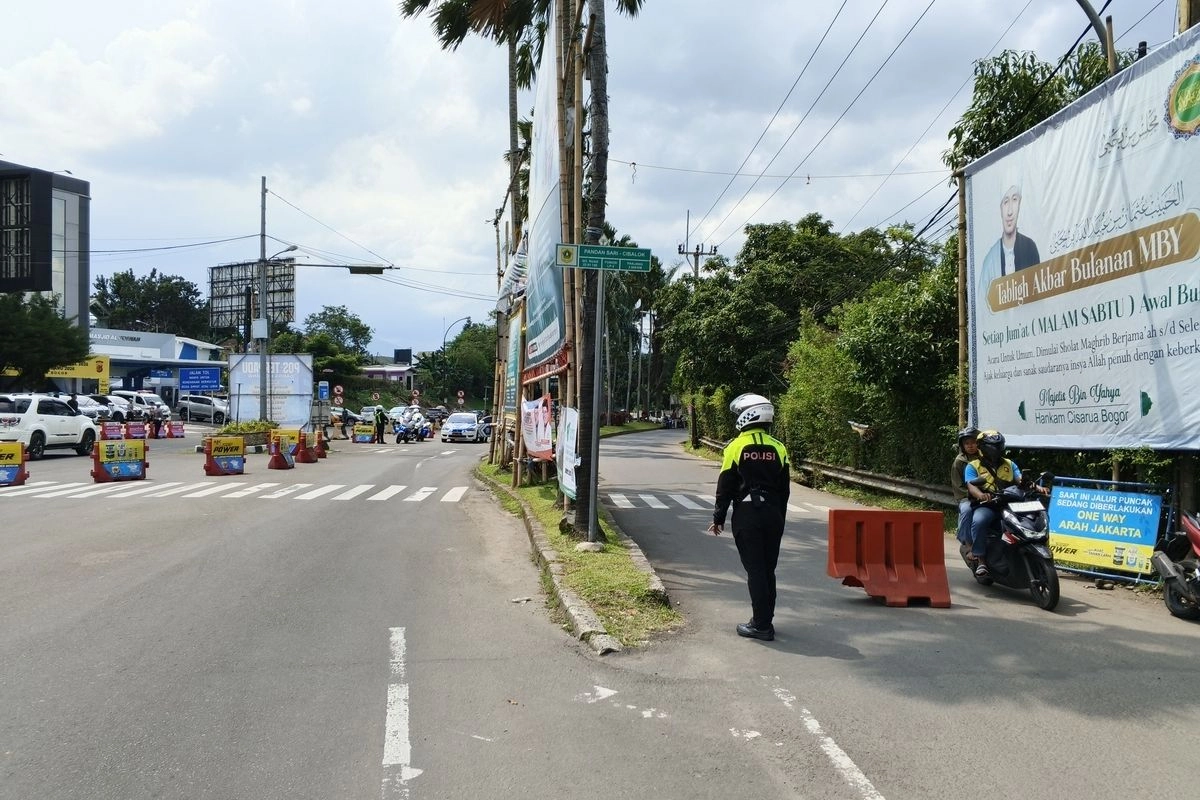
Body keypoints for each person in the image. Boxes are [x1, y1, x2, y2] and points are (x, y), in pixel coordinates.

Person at [706, 393, 790, 641]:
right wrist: (779, 518)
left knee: (755, 570)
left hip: (748, 516)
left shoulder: (736, 447)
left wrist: (718, 517)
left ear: (747, 415)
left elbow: (725, 487)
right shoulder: (779, 447)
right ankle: (766, 619)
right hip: (773, 515)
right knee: (768, 569)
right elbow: (784, 490)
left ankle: (761, 625)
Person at [963, 430, 1027, 577]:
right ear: (983, 447)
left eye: (999, 445)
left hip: (1010, 504)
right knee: (979, 521)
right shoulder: (973, 466)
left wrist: (1035, 487)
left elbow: (1020, 479)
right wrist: (981, 495)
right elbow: (971, 486)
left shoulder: (1009, 464)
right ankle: (981, 560)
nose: (996, 449)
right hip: (988, 505)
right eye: (993, 446)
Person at [978, 185, 1041, 299]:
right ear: (1000, 209)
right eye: (1006, 202)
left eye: (1015, 200)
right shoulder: (990, 261)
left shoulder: (1030, 248)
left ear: (1020, 204)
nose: (1010, 211)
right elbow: (983, 308)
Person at [950, 426, 981, 554]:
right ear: (962, 446)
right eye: (967, 443)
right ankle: (968, 543)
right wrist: (973, 494)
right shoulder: (959, 461)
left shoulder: (986, 457)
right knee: (967, 510)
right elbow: (958, 486)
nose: (970, 446)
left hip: (988, 494)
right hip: (967, 497)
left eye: (973, 442)